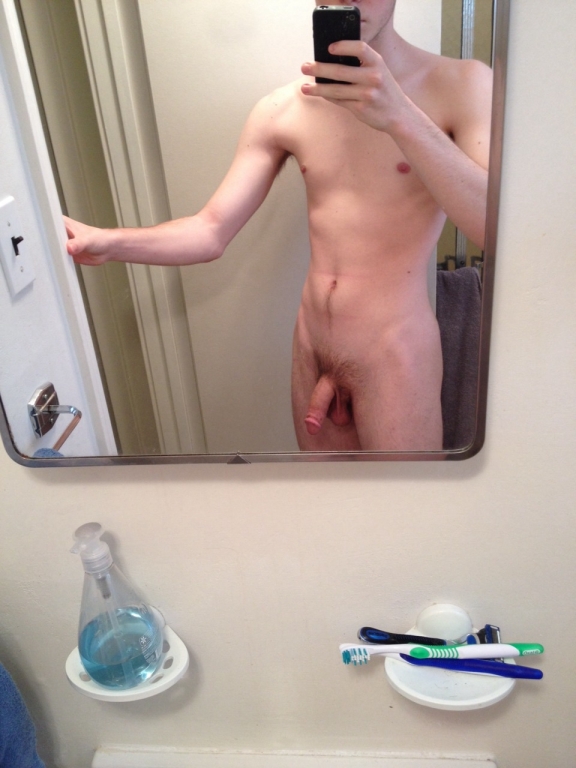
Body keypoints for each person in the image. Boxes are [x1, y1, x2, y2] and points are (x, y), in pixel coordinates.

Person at [64, 0, 492, 452]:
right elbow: (209, 231)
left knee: (405, 500)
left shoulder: (463, 85)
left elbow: (492, 230)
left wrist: (399, 115)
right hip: (312, 350)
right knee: (318, 499)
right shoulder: (283, 108)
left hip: (395, 354)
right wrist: (107, 242)